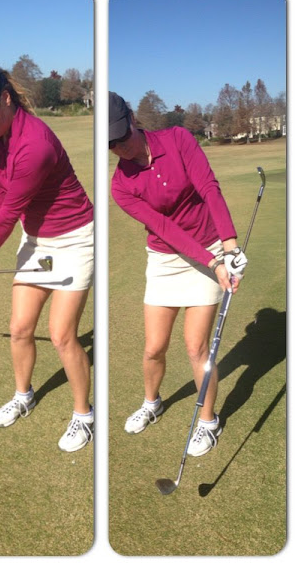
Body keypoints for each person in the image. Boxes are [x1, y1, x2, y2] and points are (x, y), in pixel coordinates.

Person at [0, 62, 95, 452]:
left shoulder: (35, 145)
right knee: (20, 328)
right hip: (37, 242)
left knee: (62, 334)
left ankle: (84, 415)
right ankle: (24, 395)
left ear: (5, 99)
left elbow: (10, 209)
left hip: (74, 241)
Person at [109, 91, 248, 456]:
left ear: (132, 120)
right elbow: (163, 228)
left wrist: (229, 249)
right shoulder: (121, 186)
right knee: (154, 347)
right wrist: (214, 263)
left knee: (196, 347)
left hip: (210, 247)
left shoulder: (177, 139)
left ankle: (208, 421)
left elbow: (209, 188)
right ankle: (151, 403)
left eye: (121, 137)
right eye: (110, 145)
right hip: (165, 259)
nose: (119, 148)